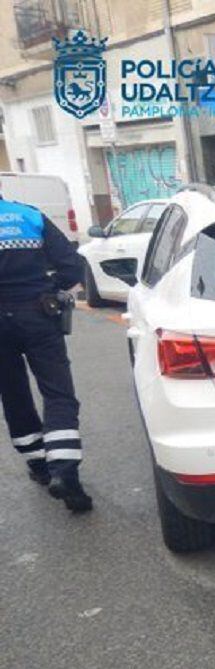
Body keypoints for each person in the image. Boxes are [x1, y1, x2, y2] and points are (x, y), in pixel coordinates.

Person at [0, 194, 93, 512]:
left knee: (14, 395)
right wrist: (52, 287)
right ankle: (65, 474)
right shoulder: (29, 216)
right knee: (58, 394)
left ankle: (40, 467)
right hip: (38, 313)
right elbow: (71, 266)